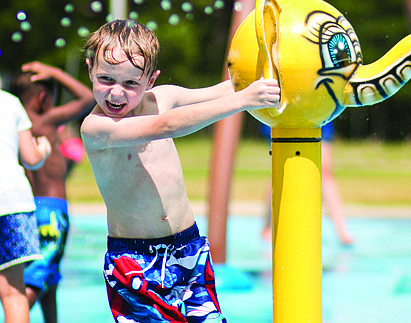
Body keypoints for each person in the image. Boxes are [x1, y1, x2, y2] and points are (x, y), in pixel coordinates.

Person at [79, 19, 279, 322]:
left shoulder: (164, 97)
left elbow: (223, 90)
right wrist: (244, 100)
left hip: (189, 248)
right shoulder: (96, 128)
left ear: (150, 80)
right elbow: (166, 125)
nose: (116, 93)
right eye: (106, 79)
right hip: (135, 260)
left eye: (131, 83)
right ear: (90, 68)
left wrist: (270, 68)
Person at [9, 61, 95, 323]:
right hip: (52, 212)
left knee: (50, 276)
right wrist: (56, 72)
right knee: (39, 277)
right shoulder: (46, 120)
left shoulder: (15, 125)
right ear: (43, 98)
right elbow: (88, 98)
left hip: (27, 208)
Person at [0, 88, 52, 323]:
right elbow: (31, 159)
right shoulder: (10, 102)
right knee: (13, 293)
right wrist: (44, 149)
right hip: (13, 202)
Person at [260, 121, 355, 246]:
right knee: (282, 165)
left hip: (317, 105)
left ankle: (341, 230)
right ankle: (269, 225)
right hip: (284, 106)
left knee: (324, 168)